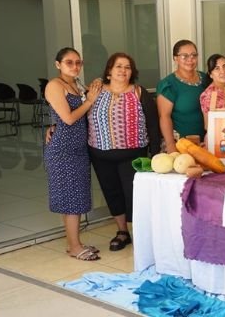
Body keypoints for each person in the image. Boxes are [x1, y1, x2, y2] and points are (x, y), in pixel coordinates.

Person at [87, 53, 160, 251]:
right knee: (112, 193)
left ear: (132, 72)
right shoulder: (94, 91)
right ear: (109, 71)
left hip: (133, 155)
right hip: (100, 154)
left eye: (127, 67)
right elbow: (76, 113)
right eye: (118, 66)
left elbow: (153, 124)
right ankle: (122, 232)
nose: (122, 70)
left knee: (134, 195)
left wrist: (155, 154)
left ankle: (142, 234)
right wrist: (54, 126)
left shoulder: (139, 92)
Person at [43, 47, 102, 261]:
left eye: (78, 62)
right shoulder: (54, 85)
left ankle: (74, 243)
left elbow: (94, 94)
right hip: (63, 149)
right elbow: (67, 118)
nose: (75, 66)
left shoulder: (75, 84)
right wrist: (89, 101)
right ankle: (75, 246)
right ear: (58, 64)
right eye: (69, 62)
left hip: (78, 148)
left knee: (76, 196)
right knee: (71, 199)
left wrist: (94, 87)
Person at [157, 39, 210, 153]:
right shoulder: (169, 84)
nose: (190, 60)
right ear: (175, 58)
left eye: (193, 55)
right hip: (180, 145)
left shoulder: (206, 79)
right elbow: (164, 117)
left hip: (206, 144)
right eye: (184, 56)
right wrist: (171, 145)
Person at [200, 54, 225, 128]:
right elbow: (207, 125)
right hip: (218, 136)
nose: (223, 71)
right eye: (217, 68)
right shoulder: (208, 95)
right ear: (210, 74)